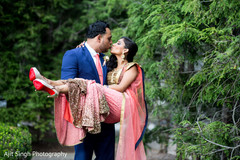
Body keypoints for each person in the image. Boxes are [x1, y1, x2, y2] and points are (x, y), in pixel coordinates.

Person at [30, 37, 148, 160]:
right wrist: (85, 48)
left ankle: (56, 89)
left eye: (118, 43)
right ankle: (48, 82)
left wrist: (98, 87)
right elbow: (93, 56)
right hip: (107, 103)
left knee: (90, 85)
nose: (113, 44)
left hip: (124, 103)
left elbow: (121, 87)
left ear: (125, 50)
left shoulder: (132, 67)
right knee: (80, 81)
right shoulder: (108, 64)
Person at [30, 21, 114, 160]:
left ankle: (49, 84)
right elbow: (68, 82)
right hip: (84, 121)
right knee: (83, 157)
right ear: (99, 38)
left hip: (106, 119)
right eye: (109, 38)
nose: (111, 42)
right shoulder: (73, 54)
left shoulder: (107, 59)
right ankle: (50, 85)